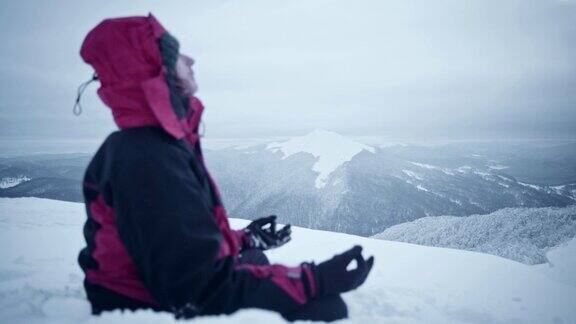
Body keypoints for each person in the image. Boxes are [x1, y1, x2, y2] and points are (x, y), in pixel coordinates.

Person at [77, 13, 374, 322]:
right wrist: (314, 280)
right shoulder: (147, 157)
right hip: (135, 304)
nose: (191, 61)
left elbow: (182, 241)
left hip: (150, 285)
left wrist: (246, 240)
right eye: (177, 54)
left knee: (254, 258)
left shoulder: (156, 146)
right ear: (157, 69)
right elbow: (194, 286)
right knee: (327, 307)